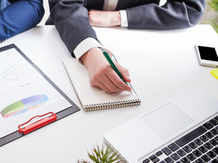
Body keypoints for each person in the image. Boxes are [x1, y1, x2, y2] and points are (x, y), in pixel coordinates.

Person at [47, 0, 205, 93]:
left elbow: (189, 9)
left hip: (138, 41)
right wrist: (89, 52)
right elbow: (64, 4)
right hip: (67, 35)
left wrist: (119, 17)